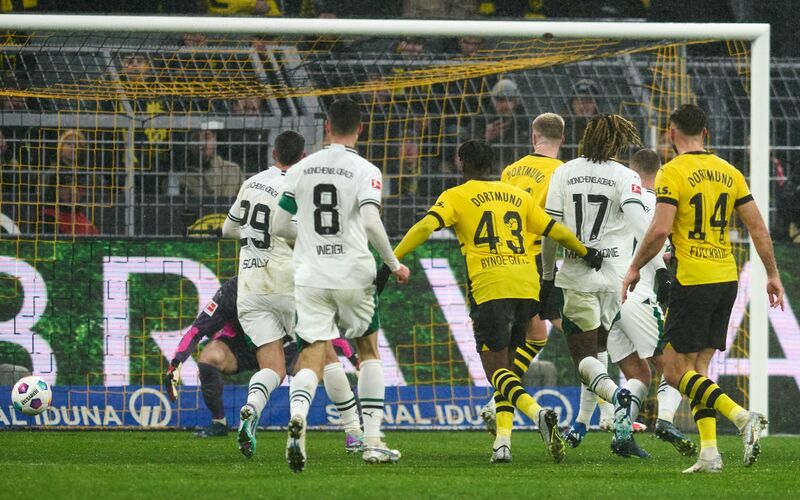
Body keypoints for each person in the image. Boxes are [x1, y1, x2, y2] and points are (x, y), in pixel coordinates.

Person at [389, 139, 602, 464]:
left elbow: (425, 227)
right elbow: (555, 230)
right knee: (509, 371)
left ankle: (537, 413)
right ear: (492, 165)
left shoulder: (456, 196)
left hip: (491, 287)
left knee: (496, 372)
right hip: (526, 286)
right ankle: (502, 443)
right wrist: (586, 252)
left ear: (461, 163)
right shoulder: (518, 195)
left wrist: (392, 259)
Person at [622, 104, 784, 473]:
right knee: (697, 370)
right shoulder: (729, 172)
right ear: (706, 134)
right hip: (726, 278)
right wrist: (772, 274)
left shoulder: (672, 171)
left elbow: (660, 230)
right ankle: (709, 453)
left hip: (693, 280)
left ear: (671, 133)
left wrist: (633, 267)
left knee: (674, 372)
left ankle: (741, 416)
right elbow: (758, 228)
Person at [272, 98, 410, 472]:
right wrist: (394, 264)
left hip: (311, 277)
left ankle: (298, 418)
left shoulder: (301, 169)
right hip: (353, 275)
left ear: (327, 127)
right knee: (368, 351)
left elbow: (279, 226)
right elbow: (370, 221)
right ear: (360, 128)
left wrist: (309, 237)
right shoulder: (366, 170)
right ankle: (372, 442)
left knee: (312, 354)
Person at [541, 114, 664, 459]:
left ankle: (615, 397)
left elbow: (550, 230)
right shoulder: (626, 176)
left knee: (583, 359)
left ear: (586, 138)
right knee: (598, 352)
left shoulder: (564, 172)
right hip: (614, 280)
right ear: (616, 142)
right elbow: (642, 224)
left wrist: (547, 275)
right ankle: (583, 423)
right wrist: (658, 267)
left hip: (578, 276)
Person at [565, 148, 695, 456]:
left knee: (638, 373)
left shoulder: (615, 200)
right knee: (674, 367)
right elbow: (663, 247)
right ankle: (665, 421)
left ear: (630, 170)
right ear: (658, 174)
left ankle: (620, 433)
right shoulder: (657, 204)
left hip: (610, 296)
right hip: (638, 295)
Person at [164, 276, 294, 438]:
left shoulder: (290, 282)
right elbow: (197, 330)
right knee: (209, 357)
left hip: (281, 345)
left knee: (311, 363)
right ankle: (219, 422)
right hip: (239, 348)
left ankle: (304, 416)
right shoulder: (231, 291)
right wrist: (176, 364)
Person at [174, 129, 245, 199]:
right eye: (196, 138)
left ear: (215, 142)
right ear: (189, 146)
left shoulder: (233, 170)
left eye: (207, 137)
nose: (202, 142)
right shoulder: (182, 178)